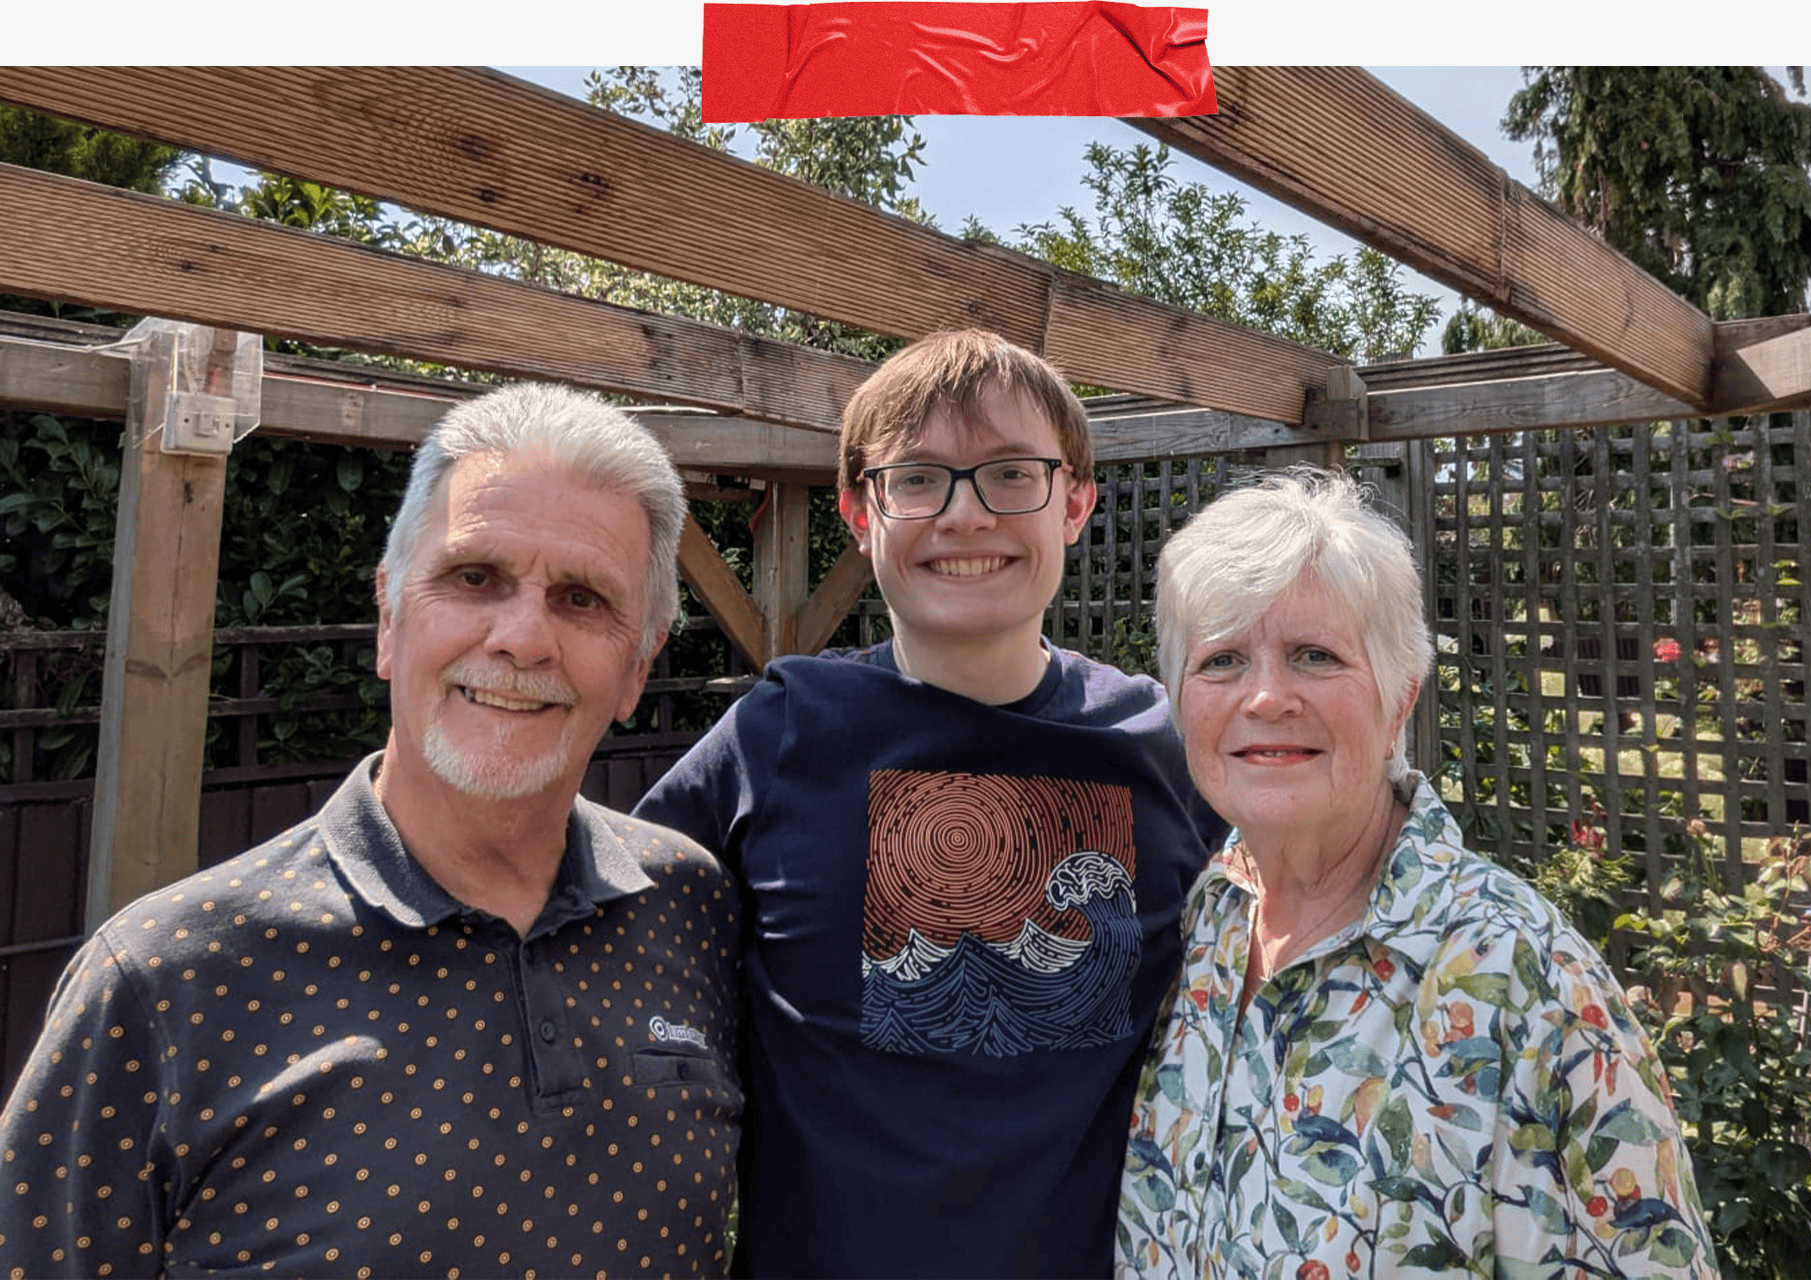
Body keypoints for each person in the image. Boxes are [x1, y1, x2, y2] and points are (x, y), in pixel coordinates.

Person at [0, 383, 742, 1279]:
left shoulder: (688, 903)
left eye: (582, 599)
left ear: (638, 668)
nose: (521, 637)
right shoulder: (164, 980)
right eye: (475, 578)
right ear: (390, 616)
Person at [637, 329, 1225, 1278]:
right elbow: (612, 914)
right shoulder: (782, 728)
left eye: (1009, 475)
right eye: (917, 479)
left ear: (1074, 503)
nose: (964, 514)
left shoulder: (1161, 745)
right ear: (858, 513)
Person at [1116, 468, 1718, 1279]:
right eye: (1221, 660)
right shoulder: (1194, 933)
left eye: (1314, 655)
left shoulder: (1526, 982)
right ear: (1183, 703)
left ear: (1401, 696)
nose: (1264, 696)